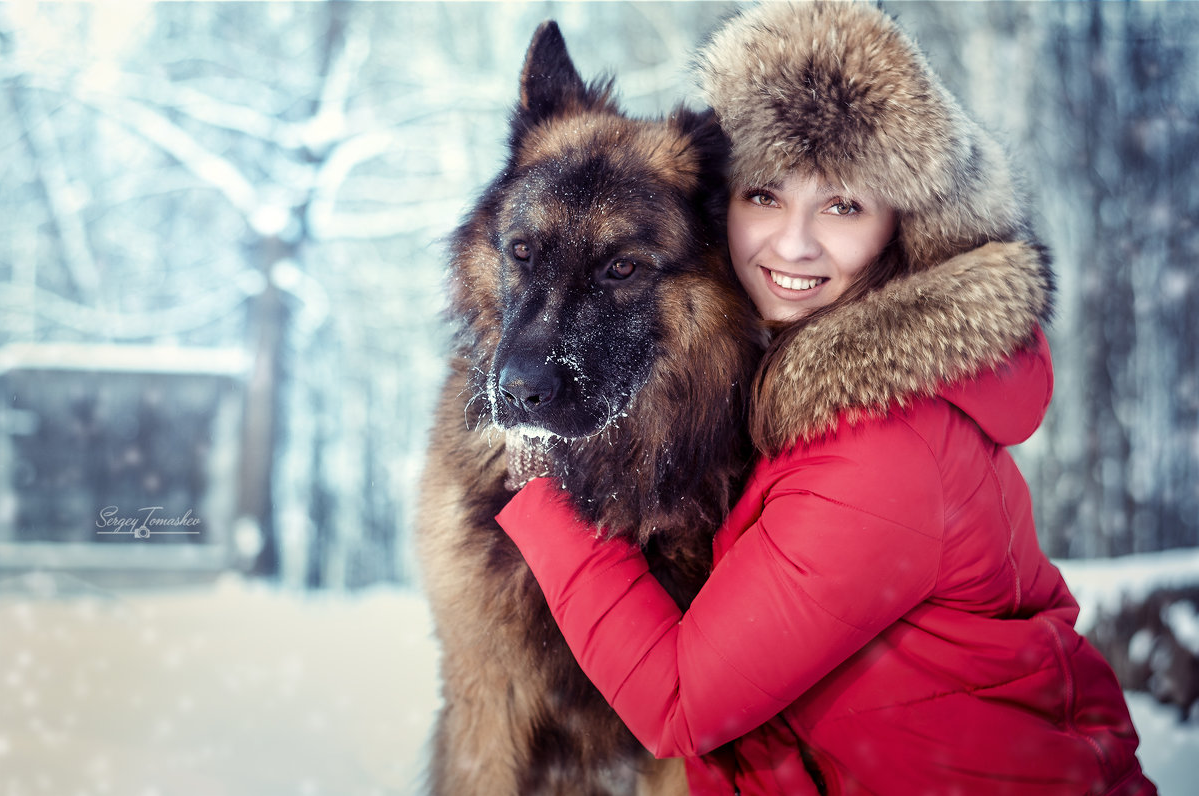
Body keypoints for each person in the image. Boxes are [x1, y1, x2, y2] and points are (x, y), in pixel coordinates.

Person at [495, 3, 1157, 794]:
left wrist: (543, 488)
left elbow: (682, 703)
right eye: (765, 196)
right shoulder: (795, 387)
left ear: (901, 226)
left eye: (843, 205)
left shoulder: (883, 447)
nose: (794, 243)